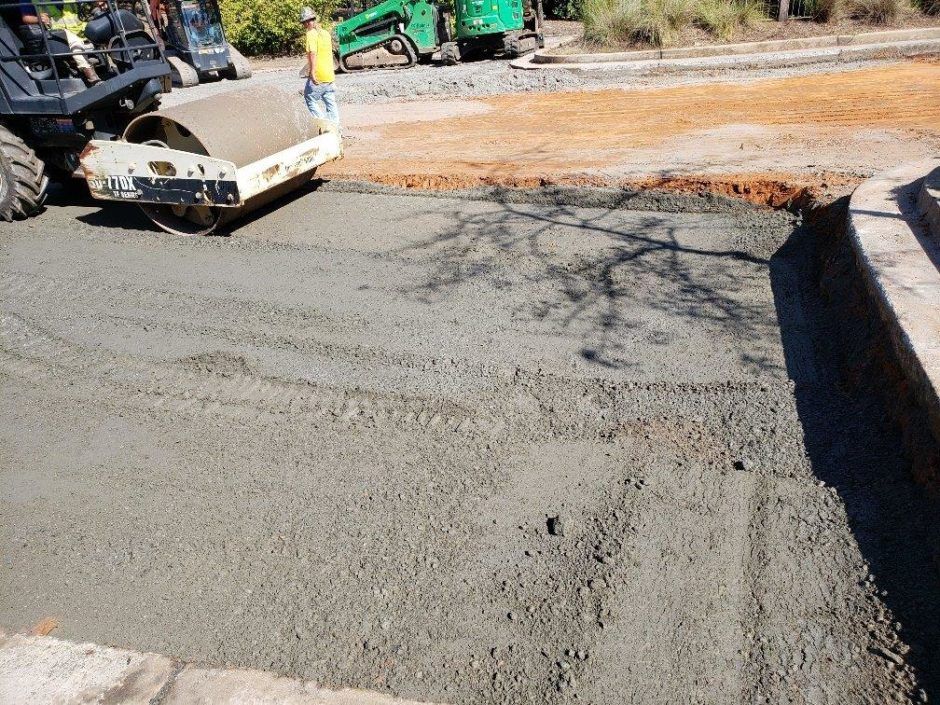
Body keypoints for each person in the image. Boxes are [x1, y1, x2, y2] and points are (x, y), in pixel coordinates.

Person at [19, 0, 100, 84]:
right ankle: (92, 76)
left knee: (104, 26)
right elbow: (26, 17)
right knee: (75, 43)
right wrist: (38, 18)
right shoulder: (31, 1)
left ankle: (113, 62)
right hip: (58, 32)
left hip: (82, 29)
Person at [300, 6, 339, 125]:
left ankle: (324, 125)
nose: (303, 26)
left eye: (303, 23)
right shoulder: (325, 33)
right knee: (330, 101)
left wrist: (312, 72)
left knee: (309, 97)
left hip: (319, 75)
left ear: (306, 22)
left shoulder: (311, 34)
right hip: (329, 75)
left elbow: (313, 53)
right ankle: (336, 128)